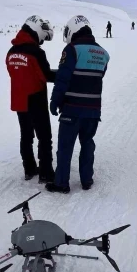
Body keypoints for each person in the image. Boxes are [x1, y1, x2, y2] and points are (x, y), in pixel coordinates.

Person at [46, 15, 110, 194]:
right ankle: (86, 180)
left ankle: (61, 183)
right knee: (87, 144)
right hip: (93, 111)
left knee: (65, 148)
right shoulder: (103, 53)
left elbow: (63, 79)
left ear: (73, 29)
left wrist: (55, 100)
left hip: (72, 110)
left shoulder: (72, 49)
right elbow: (98, 77)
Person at [6, 15, 56, 183]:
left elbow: (13, 73)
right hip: (36, 98)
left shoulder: (11, 52)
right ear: (36, 29)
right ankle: (46, 173)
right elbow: (46, 75)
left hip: (19, 99)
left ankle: (29, 169)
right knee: (44, 137)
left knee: (26, 136)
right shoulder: (36, 52)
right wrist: (63, 74)